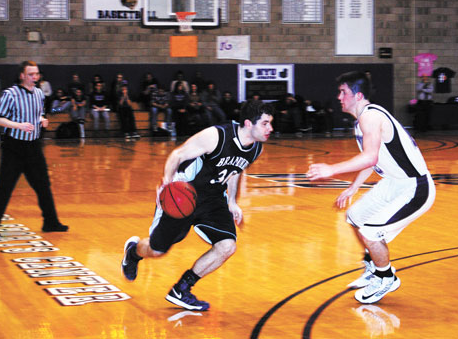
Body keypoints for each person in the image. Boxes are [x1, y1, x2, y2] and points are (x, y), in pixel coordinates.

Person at [121, 100, 274, 310]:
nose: (270, 129)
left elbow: (234, 170)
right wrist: (167, 182)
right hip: (184, 194)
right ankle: (133, 252)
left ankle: (182, 289)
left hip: (213, 199)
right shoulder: (216, 136)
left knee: (227, 246)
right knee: (157, 250)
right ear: (249, 123)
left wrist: (232, 202)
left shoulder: (255, 148)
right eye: (265, 123)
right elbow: (177, 154)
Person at [306, 71, 435, 304]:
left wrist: (332, 169)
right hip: (394, 182)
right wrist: (353, 188)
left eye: (343, 92)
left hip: (415, 186)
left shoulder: (370, 116)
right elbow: (373, 160)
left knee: (370, 232)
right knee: (355, 216)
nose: (339, 97)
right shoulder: (362, 120)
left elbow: (369, 157)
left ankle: (386, 277)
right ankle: (374, 267)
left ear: (358, 95)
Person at [0, 61, 68, 242]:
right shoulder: (10, 94)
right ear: (22, 75)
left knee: (43, 185)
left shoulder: (38, 93)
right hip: (14, 147)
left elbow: (36, 113)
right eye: (30, 74)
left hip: (33, 147)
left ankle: (50, 222)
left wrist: (42, 119)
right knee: (4, 187)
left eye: (36, 74)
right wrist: (18, 125)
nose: (34, 77)